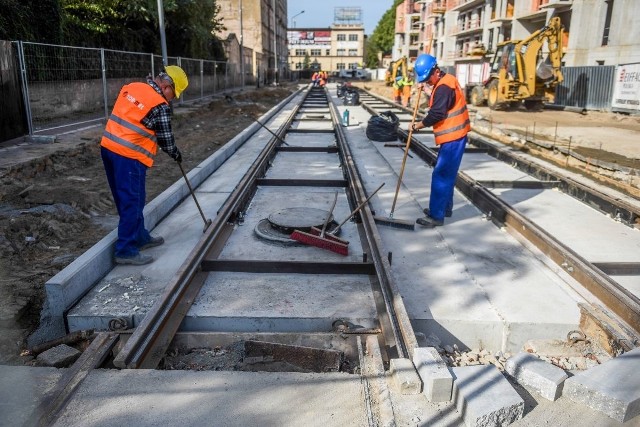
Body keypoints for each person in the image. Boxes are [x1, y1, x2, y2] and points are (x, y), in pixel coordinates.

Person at [100, 65, 189, 264]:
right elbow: (166, 140)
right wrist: (176, 154)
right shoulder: (159, 105)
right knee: (132, 200)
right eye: (173, 94)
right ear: (167, 86)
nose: (172, 99)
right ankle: (125, 250)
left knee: (133, 198)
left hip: (108, 148)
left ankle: (139, 236)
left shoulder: (132, 87)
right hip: (129, 156)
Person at [410, 54, 470, 228]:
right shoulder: (446, 81)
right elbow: (442, 102)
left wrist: (418, 125)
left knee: (441, 174)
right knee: (448, 174)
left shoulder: (443, 87)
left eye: (428, 78)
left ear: (436, 71)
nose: (427, 81)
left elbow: (437, 113)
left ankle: (436, 215)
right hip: (455, 136)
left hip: (453, 137)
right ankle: (444, 209)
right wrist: (429, 91)